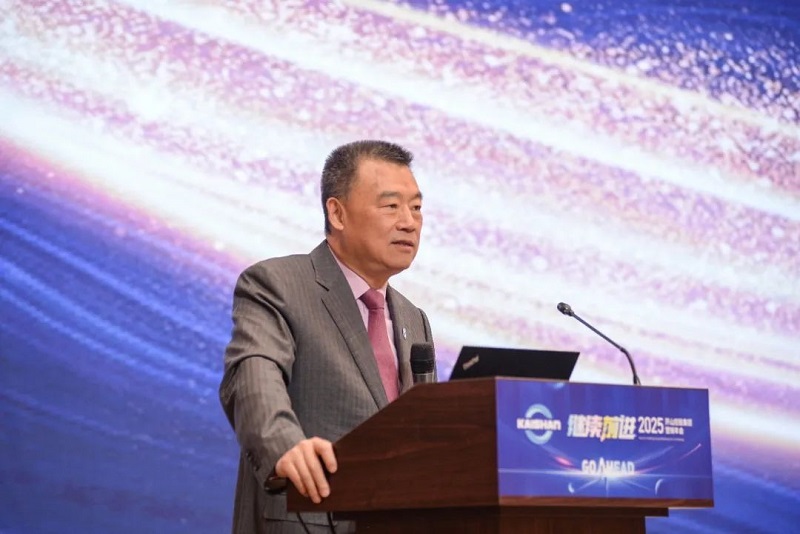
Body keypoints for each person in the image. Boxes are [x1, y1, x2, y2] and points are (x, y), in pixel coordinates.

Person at [219, 140, 435, 534]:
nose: (409, 222)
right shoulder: (278, 285)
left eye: (416, 208)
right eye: (391, 206)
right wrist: (284, 444)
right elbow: (253, 376)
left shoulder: (413, 318)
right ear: (337, 213)